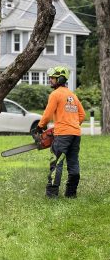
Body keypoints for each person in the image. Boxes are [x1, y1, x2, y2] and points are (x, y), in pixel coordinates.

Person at [35, 66, 86, 198]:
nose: (50, 80)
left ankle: (52, 194)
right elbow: (82, 115)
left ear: (60, 78)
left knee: (56, 163)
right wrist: (73, 125)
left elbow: (47, 114)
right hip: (75, 135)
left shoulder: (55, 94)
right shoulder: (72, 95)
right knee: (73, 162)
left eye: (52, 78)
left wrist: (40, 127)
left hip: (63, 135)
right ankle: (71, 193)